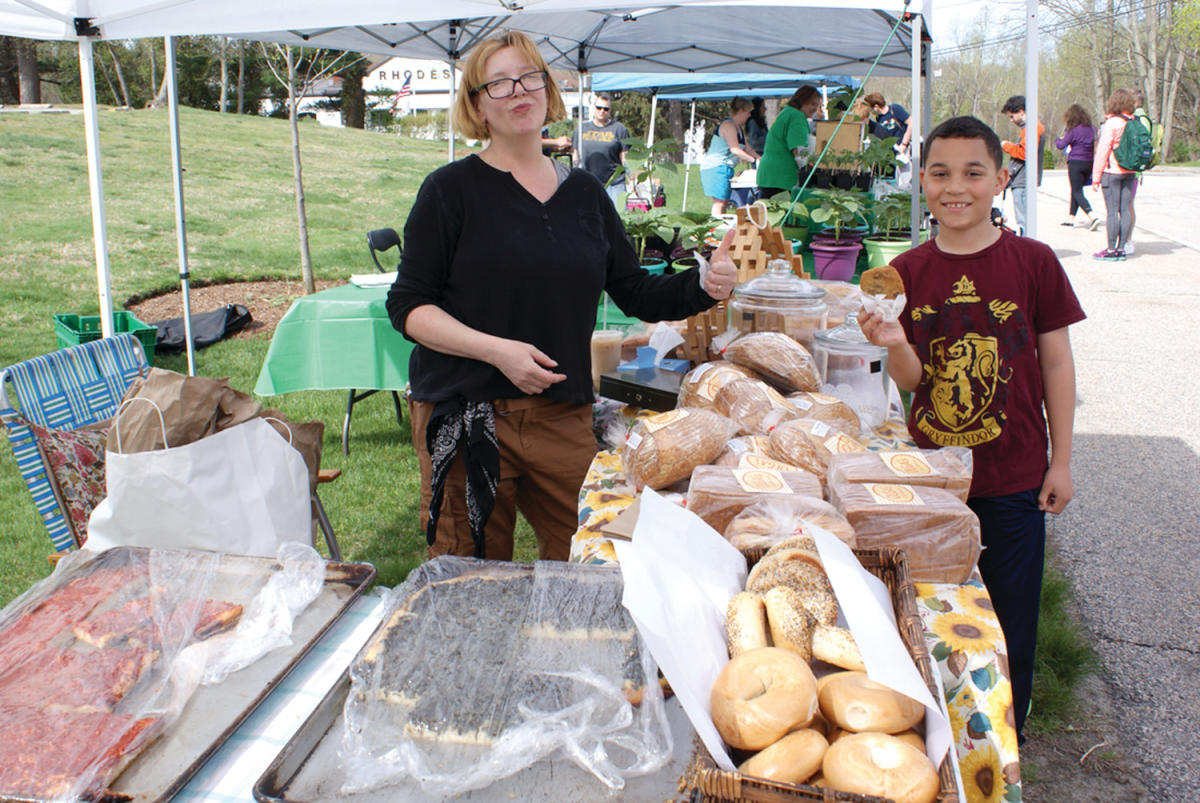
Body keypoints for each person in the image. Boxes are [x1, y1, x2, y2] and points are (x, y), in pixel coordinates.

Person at [386, 31, 739, 563]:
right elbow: (409, 306)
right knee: (470, 574)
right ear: (477, 104)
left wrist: (703, 285)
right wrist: (497, 351)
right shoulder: (449, 190)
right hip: (467, 415)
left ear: (549, 92)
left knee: (600, 558)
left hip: (560, 415)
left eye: (530, 78)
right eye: (499, 83)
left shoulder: (585, 195)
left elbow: (635, 290)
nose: (519, 91)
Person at [858, 115, 1085, 742]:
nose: (955, 187)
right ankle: (937, 724)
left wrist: (1060, 460)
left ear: (1000, 178)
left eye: (972, 172)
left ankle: (1007, 722)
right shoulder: (904, 273)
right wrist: (895, 339)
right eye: (939, 173)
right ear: (922, 181)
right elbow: (910, 381)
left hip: (1013, 476)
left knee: (1010, 611)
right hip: (930, 480)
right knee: (930, 606)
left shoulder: (1034, 262)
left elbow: (1057, 362)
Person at [1091, 88, 1138, 261]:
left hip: (1112, 172)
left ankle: (1111, 250)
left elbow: (1103, 150)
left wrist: (1096, 176)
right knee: (1125, 210)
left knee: (1112, 211)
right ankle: (1122, 248)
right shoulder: (1134, 122)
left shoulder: (1112, 123)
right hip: (1130, 172)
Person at [756, 85, 821, 201]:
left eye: (817, 105)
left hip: (769, 175)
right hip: (781, 177)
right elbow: (799, 150)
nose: (815, 109)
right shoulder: (796, 116)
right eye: (813, 104)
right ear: (802, 101)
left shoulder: (786, 112)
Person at [699, 97, 760, 216]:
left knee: (724, 203)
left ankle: (721, 229)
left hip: (726, 168)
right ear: (741, 111)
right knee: (719, 204)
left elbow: (748, 148)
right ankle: (715, 229)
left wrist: (760, 159)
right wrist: (753, 160)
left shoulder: (739, 129)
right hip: (716, 168)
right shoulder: (728, 125)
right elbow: (735, 149)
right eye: (748, 112)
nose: (749, 116)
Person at [572, 92, 629, 207]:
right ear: (594, 108)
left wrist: (631, 179)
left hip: (614, 183)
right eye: (599, 108)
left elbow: (625, 157)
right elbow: (575, 155)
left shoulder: (619, 129)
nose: (602, 111)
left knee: (619, 218)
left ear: (610, 111)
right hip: (588, 182)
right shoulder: (581, 129)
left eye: (606, 109)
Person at [1000, 95, 1046, 236]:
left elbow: (1026, 153)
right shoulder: (1032, 128)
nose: (1011, 120)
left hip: (1023, 181)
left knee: (1024, 221)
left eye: (1012, 116)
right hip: (1021, 179)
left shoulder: (1033, 128)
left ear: (1021, 112)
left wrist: (1006, 146)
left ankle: (1027, 248)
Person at [1053, 104, 1100, 230]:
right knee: (1076, 189)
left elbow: (1061, 145)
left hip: (1075, 163)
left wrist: (1057, 140)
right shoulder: (1092, 129)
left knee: (1076, 191)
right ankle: (1070, 218)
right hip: (1089, 162)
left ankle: (1092, 216)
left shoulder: (1073, 130)